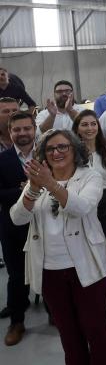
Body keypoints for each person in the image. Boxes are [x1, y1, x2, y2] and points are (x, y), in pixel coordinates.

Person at [11, 128, 106, 365]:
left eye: (62, 147)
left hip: (87, 268)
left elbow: (81, 208)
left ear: (74, 150)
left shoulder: (89, 176)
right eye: (50, 149)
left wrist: (50, 184)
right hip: (50, 271)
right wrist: (33, 190)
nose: (56, 153)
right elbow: (17, 218)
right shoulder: (37, 184)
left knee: (96, 330)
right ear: (43, 155)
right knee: (69, 334)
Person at [73, 110, 106, 314]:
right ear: (77, 128)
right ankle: (93, 299)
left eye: (93, 124)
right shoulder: (71, 152)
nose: (90, 128)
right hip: (84, 205)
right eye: (84, 124)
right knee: (87, 254)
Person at [0, 111, 36, 345]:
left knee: (50, 271)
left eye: (26, 128)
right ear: (10, 132)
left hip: (44, 222)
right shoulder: (2, 160)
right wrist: (25, 189)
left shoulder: (49, 154)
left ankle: (56, 315)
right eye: (17, 130)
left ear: (35, 129)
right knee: (16, 275)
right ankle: (17, 321)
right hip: (12, 226)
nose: (22, 133)